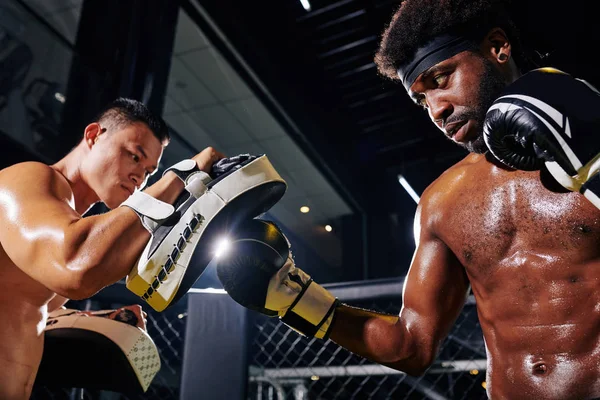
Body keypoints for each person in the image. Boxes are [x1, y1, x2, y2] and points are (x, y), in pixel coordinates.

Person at [215, 1, 600, 399]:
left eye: (441, 79)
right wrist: (294, 299)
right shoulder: (442, 203)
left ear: (498, 47)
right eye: (421, 99)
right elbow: (410, 346)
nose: (437, 109)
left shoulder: (593, 133)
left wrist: (592, 151)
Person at [0, 97, 224, 399]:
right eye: (134, 156)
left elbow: (21, 303)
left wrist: (98, 318)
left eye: (148, 172)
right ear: (94, 135)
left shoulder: (64, 223)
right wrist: (180, 177)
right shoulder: (27, 179)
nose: (139, 178)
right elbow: (75, 265)